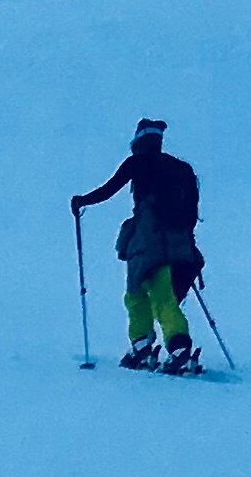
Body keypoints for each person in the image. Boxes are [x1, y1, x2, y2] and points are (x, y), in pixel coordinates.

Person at [73, 117, 204, 373]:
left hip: (149, 241)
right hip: (183, 244)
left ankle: (153, 346)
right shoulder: (183, 169)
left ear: (139, 140)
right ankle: (173, 346)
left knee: (138, 294)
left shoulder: (139, 162)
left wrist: (81, 201)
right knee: (165, 295)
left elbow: (109, 189)